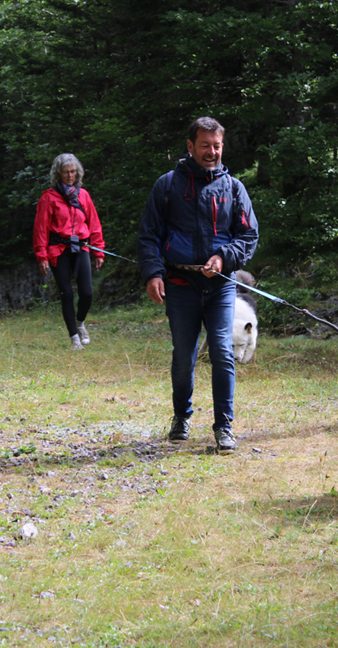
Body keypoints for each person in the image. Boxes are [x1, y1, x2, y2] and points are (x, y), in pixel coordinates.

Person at [137, 117, 259, 454]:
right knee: (183, 357)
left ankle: (224, 427)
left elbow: (248, 236)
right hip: (179, 283)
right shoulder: (166, 185)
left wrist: (223, 257)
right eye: (205, 145)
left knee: (222, 352)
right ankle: (181, 416)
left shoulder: (234, 188)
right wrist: (153, 274)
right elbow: (149, 235)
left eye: (217, 146)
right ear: (190, 147)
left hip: (219, 285)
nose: (212, 152)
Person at [33, 154, 105, 350]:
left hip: (80, 247)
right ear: (58, 174)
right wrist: (42, 255)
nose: (70, 176)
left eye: (73, 172)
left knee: (87, 293)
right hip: (58, 250)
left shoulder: (84, 195)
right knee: (66, 294)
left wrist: (99, 251)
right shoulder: (48, 198)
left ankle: (80, 323)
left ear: (78, 172)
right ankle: (74, 339)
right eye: (66, 172)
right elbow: (41, 228)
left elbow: (94, 223)